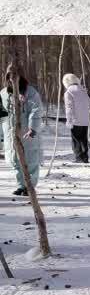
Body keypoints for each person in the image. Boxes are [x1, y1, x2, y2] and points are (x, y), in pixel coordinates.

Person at [1, 63, 43, 197]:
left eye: (15, 76)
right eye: (9, 76)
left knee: (30, 160)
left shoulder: (31, 92)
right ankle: (21, 185)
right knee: (14, 160)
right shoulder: (3, 93)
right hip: (10, 133)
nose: (11, 79)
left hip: (27, 134)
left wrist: (32, 128)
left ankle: (29, 186)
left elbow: (36, 111)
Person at [62, 73, 90, 164]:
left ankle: (78, 157)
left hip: (75, 121)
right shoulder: (83, 91)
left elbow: (69, 108)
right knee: (84, 139)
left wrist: (69, 120)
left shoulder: (68, 92)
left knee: (76, 140)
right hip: (85, 120)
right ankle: (85, 158)